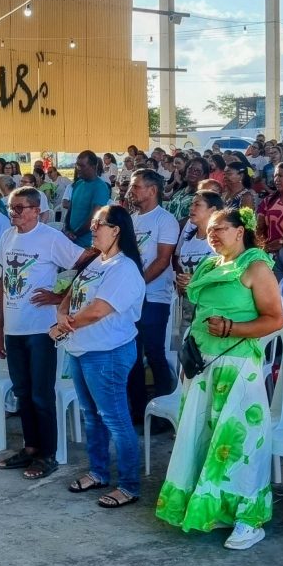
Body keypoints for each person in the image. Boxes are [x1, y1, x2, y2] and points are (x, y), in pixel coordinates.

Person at [156, 207, 283, 551]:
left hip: (237, 365)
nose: (212, 235)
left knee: (238, 443)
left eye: (220, 229)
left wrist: (233, 328)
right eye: (209, 229)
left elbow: (274, 319)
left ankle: (248, 518)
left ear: (240, 231)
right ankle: (212, 508)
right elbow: (203, 308)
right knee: (203, 437)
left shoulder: (255, 266)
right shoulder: (210, 265)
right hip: (203, 363)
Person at [53, 205, 146, 507]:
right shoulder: (97, 260)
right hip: (82, 349)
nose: (92, 229)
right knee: (92, 416)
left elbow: (98, 310)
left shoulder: (124, 268)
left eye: (98, 224)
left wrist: (64, 325)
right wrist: (63, 312)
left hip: (107, 353)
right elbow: (73, 291)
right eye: (92, 224)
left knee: (115, 418)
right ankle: (98, 472)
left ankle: (129, 485)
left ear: (116, 229)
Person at [0, 186, 84, 479]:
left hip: (41, 329)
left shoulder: (50, 237)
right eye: (11, 208)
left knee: (41, 394)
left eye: (19, 208)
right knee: (22, 393)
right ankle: (30, 447)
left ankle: (48, 454)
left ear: (35, 210)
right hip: (14, 327)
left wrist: (61, 297)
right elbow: (2, 282)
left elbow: (88, 265)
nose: (13, 213)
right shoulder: (7, 237)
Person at [122, 169, 180, 423]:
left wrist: (136, 284)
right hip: (131, 297)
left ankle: (163, 414)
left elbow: (162, 260)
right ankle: (137, 410)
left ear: (152, 190)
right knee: (131, 354)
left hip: (155, 297)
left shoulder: (164, 220)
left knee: (154, 352)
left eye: (136, 186)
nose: (131, 191)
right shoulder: (131, 219)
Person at [175, 191, 225, 338]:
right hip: (188, 307)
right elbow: (181, 267)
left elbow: (226, 273)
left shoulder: (221, 240)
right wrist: (180, 282)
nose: (191, 208)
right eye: (191, 204)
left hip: (212, 309)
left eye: (197, 205)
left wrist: (196, 281)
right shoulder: (189, 240)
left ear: (213, 210)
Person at [65, 151, 111, 248]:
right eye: (77, 165)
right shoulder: (78, 184)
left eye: (82, 166)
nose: (78, 169)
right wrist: (67, 229)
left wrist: (74, 234)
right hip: (71, 240)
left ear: (93, 166)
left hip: (87, 243)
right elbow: (70, 210)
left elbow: (94, 218)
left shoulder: (100, 187)